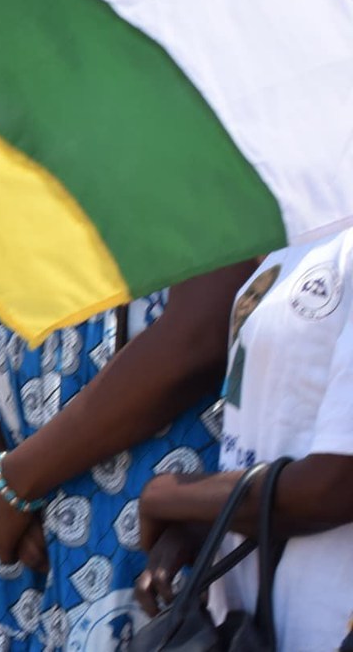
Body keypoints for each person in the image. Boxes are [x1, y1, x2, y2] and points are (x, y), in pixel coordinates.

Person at [0, 258, 250, 650]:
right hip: (27, 553)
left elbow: (198, 332)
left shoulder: (194, 200)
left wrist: (13, 481)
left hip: (142, 546)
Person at [136, 229, 353, 644]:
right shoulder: (304, 231)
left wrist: (166, 496)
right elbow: (277, 438)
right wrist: (206, 523)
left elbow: (335, 485)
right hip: (254, 623)